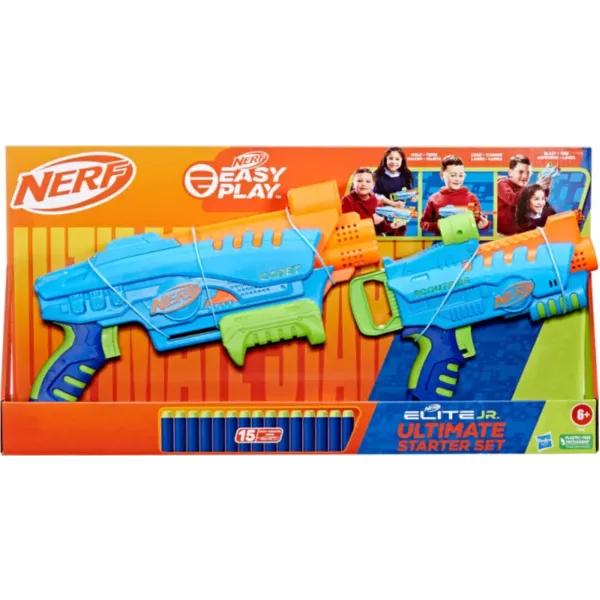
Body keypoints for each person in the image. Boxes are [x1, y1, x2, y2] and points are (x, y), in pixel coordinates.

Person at [420, 155, 490, 236]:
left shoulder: (472, 198)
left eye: (461, 175)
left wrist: (485, 224)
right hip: (441, 242)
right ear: (442, 175)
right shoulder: (433, 199)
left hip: (467, 241)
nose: (457, 179)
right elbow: (423, 223)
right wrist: (437, 226)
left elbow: (479, 220)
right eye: (453, 175)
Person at [497, 154, 553, 236]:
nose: (525, 176)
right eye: (520, 172)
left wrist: (545, 187)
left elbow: (538, 202)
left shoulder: (524, 188)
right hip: (502, 234)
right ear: (510, 172)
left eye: (528, 173)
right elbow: (512, 199)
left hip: (517, 232)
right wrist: (536, 186)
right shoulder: (502, 184)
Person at [341, 168, 405, 236]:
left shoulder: (377, 203)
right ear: (353, 184)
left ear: (373, 185)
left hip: (372, 236)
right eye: (359, 181)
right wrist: (371, 219)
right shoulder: (347, 200)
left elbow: (380, 228)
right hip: (356, 236)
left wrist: (392, 226)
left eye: (368, 181)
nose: (363, 184)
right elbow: (348, 225)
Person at [372, 147, 418, 236]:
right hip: (382, 213)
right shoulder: (377, 175)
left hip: (400, 213)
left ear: (402, 160)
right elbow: (376, 195)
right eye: (391, 158)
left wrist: (413, 197)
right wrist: (393, 203)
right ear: (385, 159)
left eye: (397, 159)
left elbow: (410, 191)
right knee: (383, 233)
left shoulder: (406, 174)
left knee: (398, 234)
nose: (394, 162)